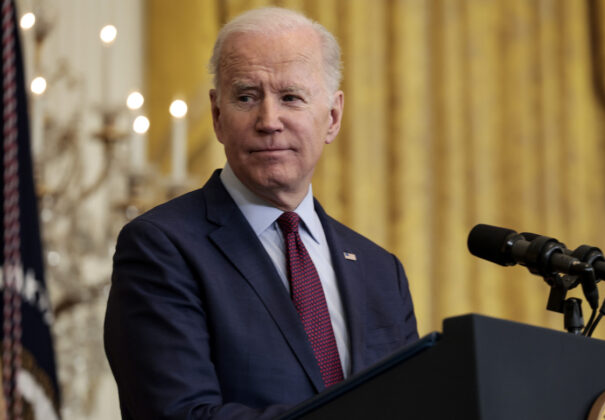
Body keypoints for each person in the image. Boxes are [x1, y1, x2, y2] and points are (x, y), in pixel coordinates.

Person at [104, 7, 418, 420]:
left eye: (291, 97)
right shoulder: (162, 246)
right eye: (246, 97)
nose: (269, 121)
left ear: (332, 117)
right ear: (218, 116)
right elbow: (177, 414)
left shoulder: (382, 271)